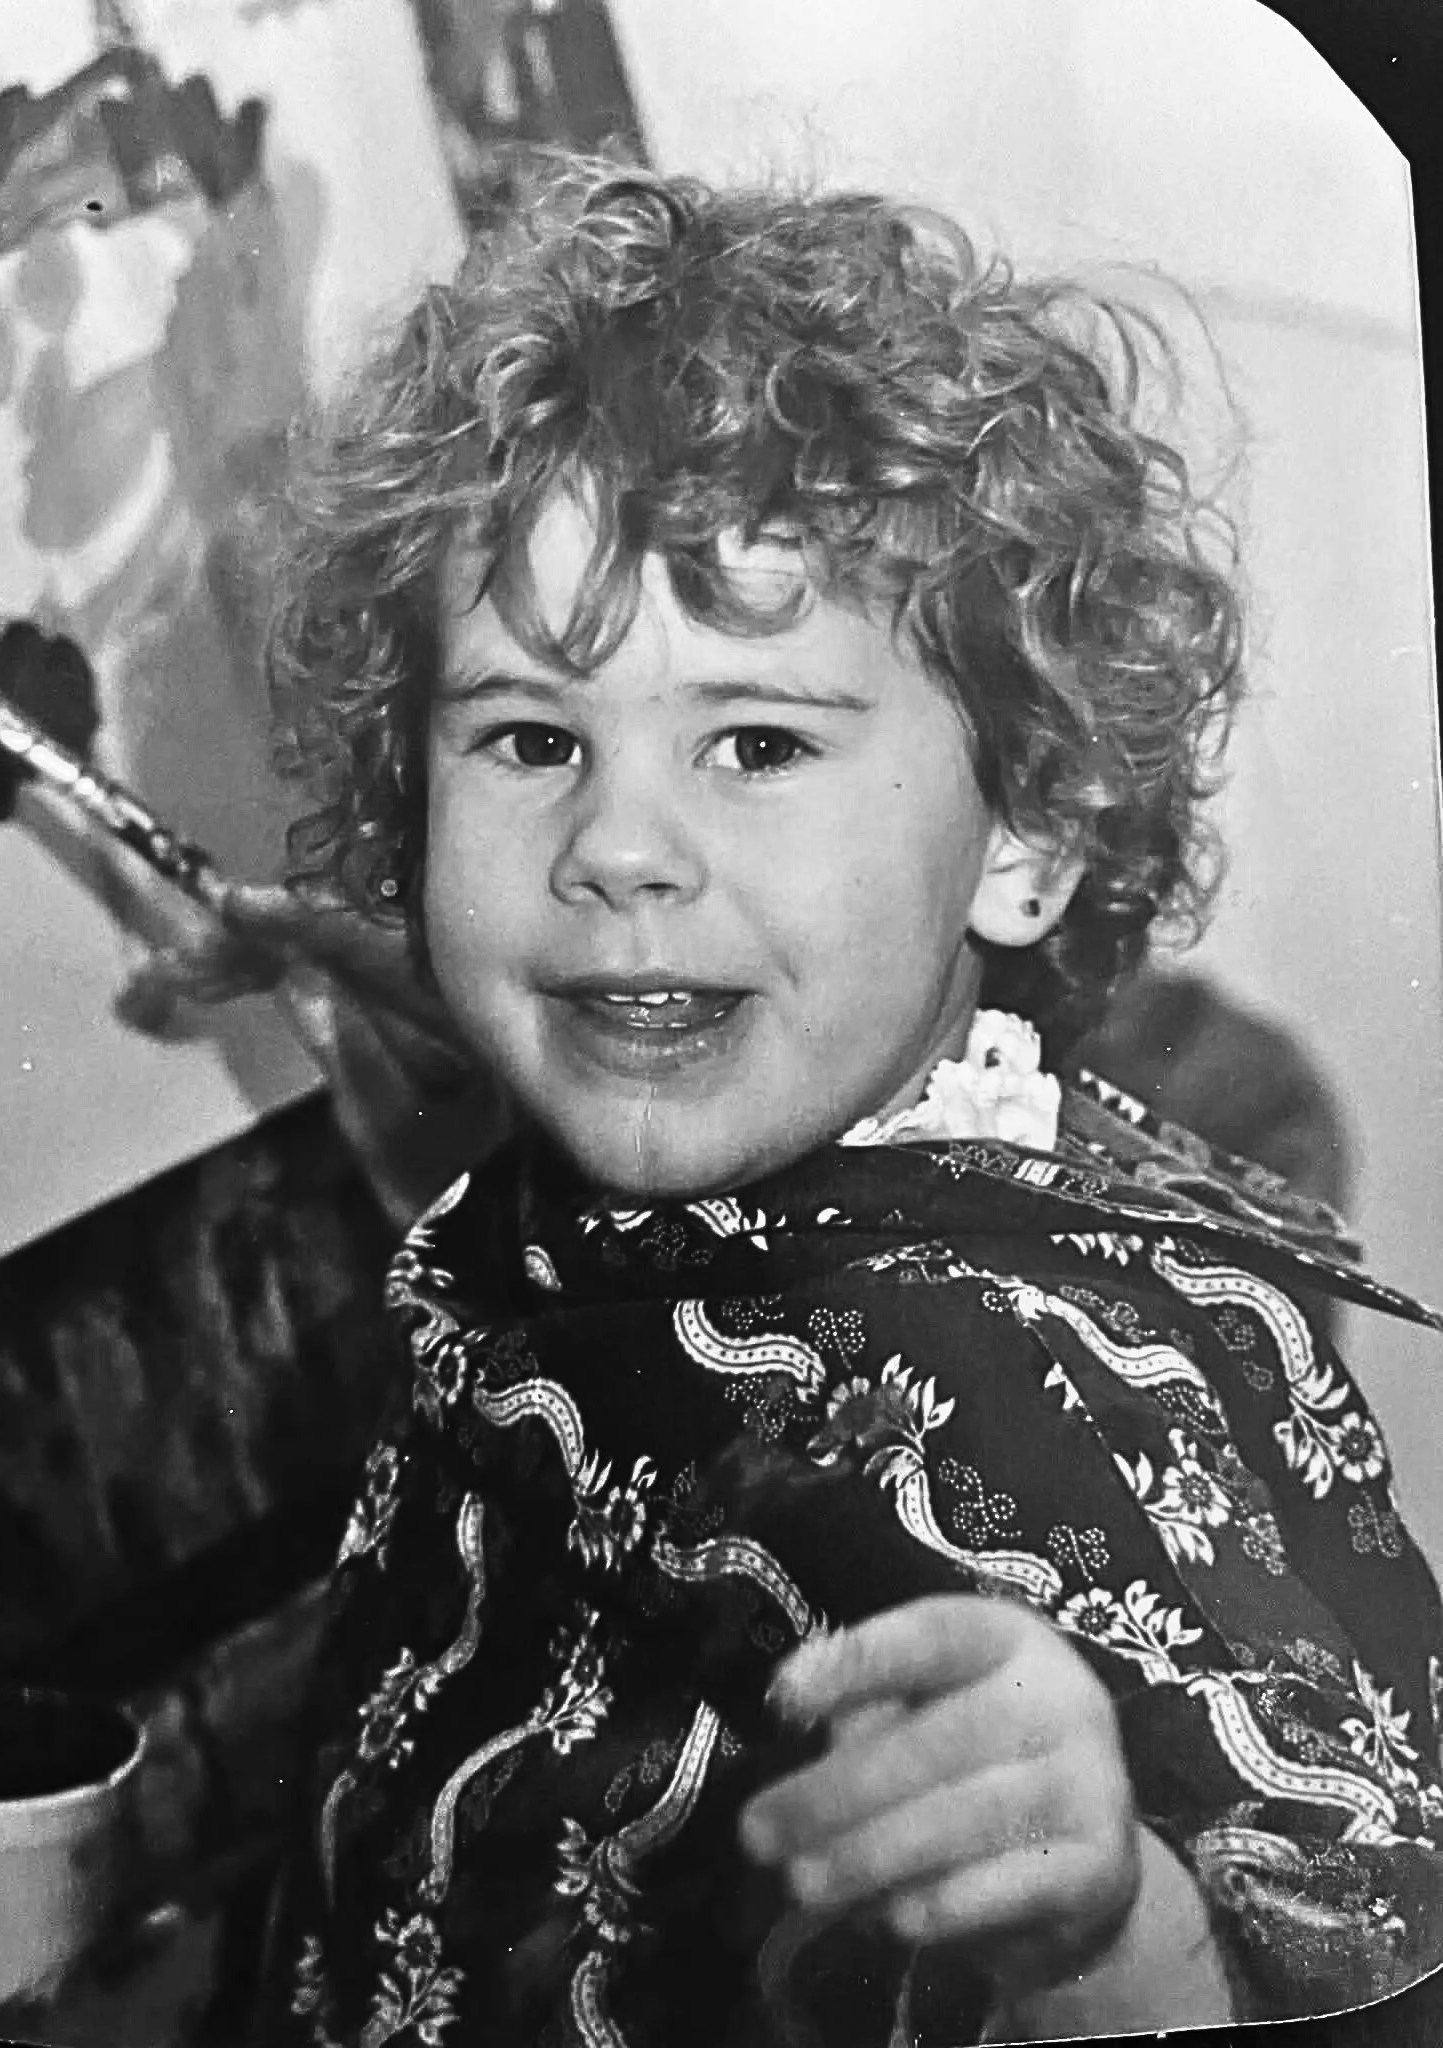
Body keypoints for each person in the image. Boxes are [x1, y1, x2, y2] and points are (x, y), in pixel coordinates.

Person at [124, 159, 1443, 2044]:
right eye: (527, 740)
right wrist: (397, 958)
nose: (617, 850)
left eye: (754, 741)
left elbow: (1346, 1959)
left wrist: (1099, 1920)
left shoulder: (1020, 1399)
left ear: (1032, 836)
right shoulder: (730, 1066)